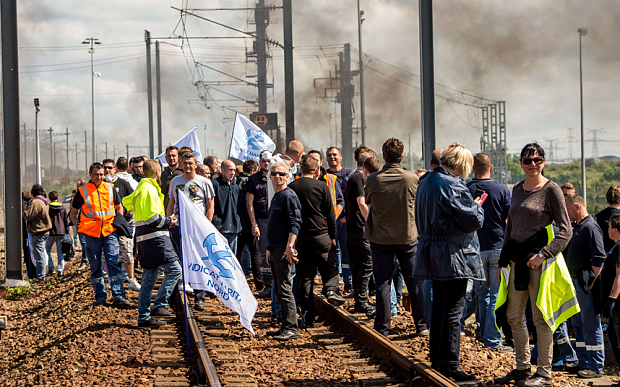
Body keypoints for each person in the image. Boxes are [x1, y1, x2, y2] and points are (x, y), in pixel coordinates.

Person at [494, 143, 574, 387]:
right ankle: (522, 368)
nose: (532, 164)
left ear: (544, 161)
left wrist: (544, 254)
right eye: (527, 160)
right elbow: (510, 227)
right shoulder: (517, 189)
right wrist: (501, 262)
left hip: (537, 265)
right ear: (521, 163)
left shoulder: (552, 190)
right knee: (513, 316)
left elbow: (566, 230)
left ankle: (544, 374)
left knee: (540, 317)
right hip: (515, 262)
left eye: (537, 159)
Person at [413, 142, 483, 382]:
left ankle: (437, 359)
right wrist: (477, 206)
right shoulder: (453, 185)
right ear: (462, 164)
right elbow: (473, 220)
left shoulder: (425, 181)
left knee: (440, 308)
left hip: (431, 250)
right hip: (452, 254)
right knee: (454, 311)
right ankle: (451, 364)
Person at [365, 138, 428, 338]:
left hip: (381, 238)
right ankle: (422, 325)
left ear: (383, 156)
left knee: (382, 282)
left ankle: (382, 328)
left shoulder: (373, 179)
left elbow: (368, 200)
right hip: (407, 237)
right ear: (402, 156)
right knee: (413, 282)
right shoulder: (412, 179)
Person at [123, 160, 182, 328]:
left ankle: (144, 317)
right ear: (157, 172)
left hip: (145, 239)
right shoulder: (148, 188)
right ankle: (160, 305)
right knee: (175, 270)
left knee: (149, 279)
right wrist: (168, 221)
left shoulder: (143, 187)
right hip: (155, 239)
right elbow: (151, 217)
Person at [290, 156, 344, 327]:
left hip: (300, 238)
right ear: (316, 170)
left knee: (304, 277)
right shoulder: (321, 186)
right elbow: (330, 212)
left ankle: (308, 316)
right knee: (329, 266)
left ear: (301, 168)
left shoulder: (292, 187)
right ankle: (331, 289)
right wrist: (333, 236)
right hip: (321, 235)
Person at [466, 153, 511, 349]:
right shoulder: (502, 190)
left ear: (472, 168)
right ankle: (492, 339)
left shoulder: (466, 189)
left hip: (475, 249)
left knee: (482, 295)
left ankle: (483, 333)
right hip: (498, 248)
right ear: (490, 168)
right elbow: (510, 221)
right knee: (495, 295)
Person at [70, 163, 130, 308]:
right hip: (91, 233)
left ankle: (119, 295)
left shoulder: (110, 188)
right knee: (96, 265)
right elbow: (73, 212)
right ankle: (100, 296)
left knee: (113, 263)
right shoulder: (82, 191)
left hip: (109, 231)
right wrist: (79, 226)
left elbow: (119, 207)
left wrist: (118, 221)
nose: (99, 177)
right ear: (90, 174)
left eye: (102, 174)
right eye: (96, 174)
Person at [563, 193, 606, 378]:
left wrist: (594, 285)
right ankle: (583, 361)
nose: (567, 213)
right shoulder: (579, 227)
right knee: (579, 324)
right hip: (576, 283)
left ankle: (595, 365)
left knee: (590, 324)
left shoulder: (590, 227)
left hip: (585, 283)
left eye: (568, 209)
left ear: (577, 207)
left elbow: (599, 257)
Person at [167, 151, 215, 311]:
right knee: (176, 262)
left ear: (195, 164)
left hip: (197, 229)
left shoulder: (204, 182)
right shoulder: (175, 181)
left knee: (198, 261)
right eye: (185, 163)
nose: (187, 166)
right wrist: (168, 221)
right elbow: (170, 203)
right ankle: (173, 296)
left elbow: (210, 207)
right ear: (181, 164)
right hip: (178, 228)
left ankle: (199, 296)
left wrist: (206, 226)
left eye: (190, 163)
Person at [265, 160, 302, 341]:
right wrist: (269, 248)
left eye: (281, 174)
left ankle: (291, 327)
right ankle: (285, 325)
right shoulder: (276, 196)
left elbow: (295, 223)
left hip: (283, 248)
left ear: (288, 176)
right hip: (275, 248)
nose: (277, 177)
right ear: (269, 176)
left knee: (285, 288)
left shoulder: (288, 196)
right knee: (280, 288)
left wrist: (290, 246)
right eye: (274, 174)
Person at [345, 147, 377, 313]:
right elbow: (361, 202)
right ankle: (362, 301)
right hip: (360, 229)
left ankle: (359, 301)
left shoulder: (353, 177)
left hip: (353, 228)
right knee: (366, 265)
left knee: (359, 266)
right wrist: (371, 222)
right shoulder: (359, 178)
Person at [103, 158, 140, 291]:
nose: (107, 170)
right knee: (107, 254)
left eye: (109, 167)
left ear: (115, 169)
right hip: (105, 225)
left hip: (121, 224)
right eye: (105, 167)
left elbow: (134, 198)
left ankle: (131, 279)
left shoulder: (123, 183)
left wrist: (130, 213)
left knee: (126, 251)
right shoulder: (100, 185)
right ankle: (111, 280)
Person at [326, 146, 354, 292]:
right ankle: (335, 280)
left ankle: (348, 280)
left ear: (341, 156)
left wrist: (345, 216)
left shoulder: (348, 173)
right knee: (332, 250)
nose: (332, 157)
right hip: (331, 220)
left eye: (335, 155)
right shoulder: (324, 176)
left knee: (346, 249)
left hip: (346, 220)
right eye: (329, 155)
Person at [246, 150, 273, 298]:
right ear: (259, 161)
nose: (266, 164)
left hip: (276, 219)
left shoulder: (276, 175)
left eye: (269, 161)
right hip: (262, 220)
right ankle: (268, 285)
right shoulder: (253, 180)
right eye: (264, 161)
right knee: (264, 254)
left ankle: (277, 284)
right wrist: (254, 223)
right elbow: (249, 203)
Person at [236, 159, 263, 289]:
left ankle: (237, 282)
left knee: (237, 255)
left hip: (237, 224)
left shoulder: (234, 182)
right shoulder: (252, 182)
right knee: (255, 254)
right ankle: (259, 282)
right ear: (253, 171)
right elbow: (250, 204)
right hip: (250, 222)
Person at [211, 160, 242, 256]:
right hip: (219, 228)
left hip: (233, 228)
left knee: (231, 257)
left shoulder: (235, 186)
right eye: (230, 170)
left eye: (234, 170)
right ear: (222, 170)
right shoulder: (214, 184)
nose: (232, 173)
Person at [22, 184, 52, 281]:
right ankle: (41, 275)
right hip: (43, 231)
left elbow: (28, 216)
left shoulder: (36, 202)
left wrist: (24, 208)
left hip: (38, 232)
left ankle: (40, 277)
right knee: (41, 254)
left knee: (39, 257)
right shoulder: (44, 201)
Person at [602, 214, 620, 365]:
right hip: (615, 306)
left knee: (618, 340)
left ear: (615, 229)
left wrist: (612, 300)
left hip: (619, 305)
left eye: (609, 227)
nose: (607, 230)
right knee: (613, 339)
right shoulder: (616, 246)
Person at [46, 191, 71, 276]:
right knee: (60, 251)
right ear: (58, 198)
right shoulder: (63, 207)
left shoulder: (48, 208)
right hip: (61, 232)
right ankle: (60, 270)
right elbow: (66, 220)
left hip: (50, 232)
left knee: (47, 250)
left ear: (49, 198)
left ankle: (51, 268)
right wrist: (67, 232)